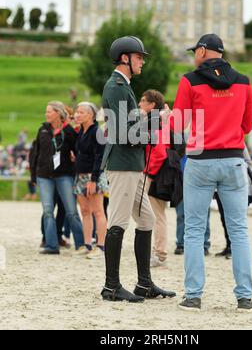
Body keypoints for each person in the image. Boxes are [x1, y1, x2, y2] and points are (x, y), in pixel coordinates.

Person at [167, 34, 252, 312]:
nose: (194, 55)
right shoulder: (243, 82)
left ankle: (193, 295)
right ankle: (245, 297)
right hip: (232, 159)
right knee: (239, 230)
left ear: (204, 51)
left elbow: (179, 125)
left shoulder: (189, 80)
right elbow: (247, 125)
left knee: (194, 230)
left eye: (196, 51)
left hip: (200, 159)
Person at [100, 36, 176, 303]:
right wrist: (158, 119)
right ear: (125, 58)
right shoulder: (117, 86)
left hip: (133, 165)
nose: (142, 61)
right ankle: (111, 286)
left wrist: (153, 120)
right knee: (118, 222)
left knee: (147, 219)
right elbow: (125, 133)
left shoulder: (126, 86)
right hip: (123, 165)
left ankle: (144, 284)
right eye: (139, 57)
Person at [30, 101, 84, 255]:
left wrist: (76, 168)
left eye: (49, 112)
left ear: (58, 114)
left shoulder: (69, 132)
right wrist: (33, 174)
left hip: (64, 175)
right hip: (44, 176)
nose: (46, 114)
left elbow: (78, 152)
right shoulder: (42, 130)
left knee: (71, 211)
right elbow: (35, 153)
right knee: (47, 211)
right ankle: (51, 245)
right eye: (46, 111)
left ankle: (81, 244)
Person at [139, 90, 170, 268]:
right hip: (153, 171)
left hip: (154, 173)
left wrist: (149, 172)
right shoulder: (154, 121)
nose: (140, 104)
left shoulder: (154, 122)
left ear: (152, 105)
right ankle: (157, 251)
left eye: (143, 101)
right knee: (155, 214)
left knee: (156, 215)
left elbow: (159, 152)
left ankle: (160, 254)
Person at [73, 102, 108, 259]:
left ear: (91, 115)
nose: (77, 114)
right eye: (77, 112)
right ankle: (87, 243)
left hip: (93, 176)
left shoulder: (97, 132)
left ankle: (100, 246)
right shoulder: (81, 131)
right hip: (80, 175)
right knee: (85, 211)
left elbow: (100, 157)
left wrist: (94, 179)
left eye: (81, 112)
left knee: (98, 211)